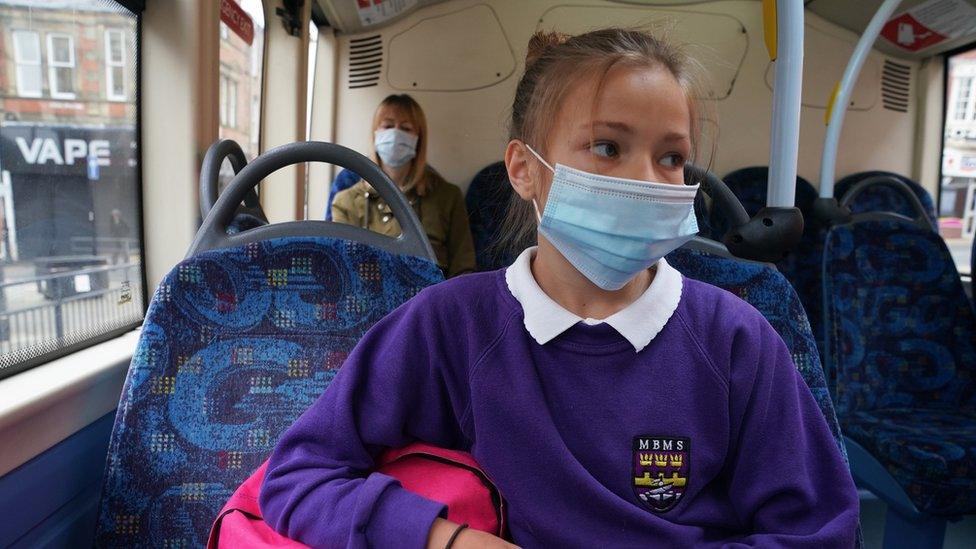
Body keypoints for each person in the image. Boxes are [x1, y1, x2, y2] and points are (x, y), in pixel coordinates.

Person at [260, 29, 859, 548]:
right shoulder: (451, 324)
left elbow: (816, 529)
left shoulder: (735, 338)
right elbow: (298, 476)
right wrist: (444, 538)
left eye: (672, 157)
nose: (646, 181)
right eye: (607, 147)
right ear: (524, 170)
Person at [330, 94, 476, 278]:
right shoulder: (346, 202)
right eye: (388, 126)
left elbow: (463, 269)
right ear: (375, 134)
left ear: (418, 139)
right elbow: (341, 270)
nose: (395, 134)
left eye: (406, 128)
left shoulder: (447, 197)